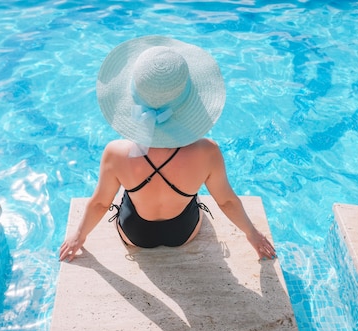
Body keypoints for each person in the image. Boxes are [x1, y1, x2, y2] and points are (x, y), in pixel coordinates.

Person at [59, 36, 276, 262]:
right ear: (188, 101)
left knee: (128, 191)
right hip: (183, 233)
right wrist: (253, 234)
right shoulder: (207, 151)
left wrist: (78, 235)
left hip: (135, 233)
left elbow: (101, 203)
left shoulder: (116, 153)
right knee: (193, 194)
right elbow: (226, 201)